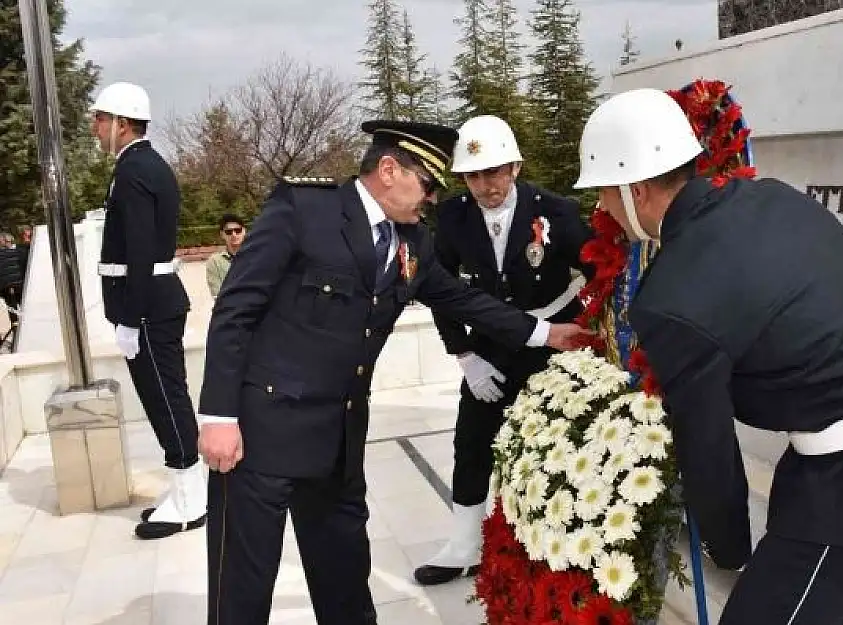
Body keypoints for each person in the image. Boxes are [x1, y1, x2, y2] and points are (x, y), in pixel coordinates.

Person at [573, 88, 843, 624]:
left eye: (603, 192)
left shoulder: (670, 298)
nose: (601, 207)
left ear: (637, 188)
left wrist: (732, 550)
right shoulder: (775, 198)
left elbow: (709, 448)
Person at [196, 120, 591, 625]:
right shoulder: (304, 212)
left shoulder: (414, 244)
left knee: (345, 580)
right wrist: (218, 414)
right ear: (388, 170)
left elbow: (464, 300)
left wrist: (546, 334)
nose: (430, 199)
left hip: (337, 440)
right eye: (427, 184)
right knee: (242, 588)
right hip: (262, 433)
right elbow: (236, 309)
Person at [413, 115, 593, 586]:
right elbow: (441, 290)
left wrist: (592, 329)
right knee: (471, 444)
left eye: (493, 172)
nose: (485, 184)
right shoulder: (452, 217)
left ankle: (559, 543)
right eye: (473, 175)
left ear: (515, 166)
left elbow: (598, 269)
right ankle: (463, 546)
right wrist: (464, 357)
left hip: (553, 343)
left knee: (556, 445)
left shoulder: (555, 211)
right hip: (489, 348)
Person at [90, 81, 205, 540]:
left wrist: (130, 318)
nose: (96, 129)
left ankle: (190, 497)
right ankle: (186, 486)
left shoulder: (135, 170)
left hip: (148, 308)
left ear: (121, 123)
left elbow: (139, 249)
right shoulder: (140, 165)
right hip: (152, 304)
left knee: (165, 398)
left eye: (101, 120)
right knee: (165, 396)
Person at [205, 213, 246, 297]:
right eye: (229, 232)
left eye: (238, 230)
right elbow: (217, 294)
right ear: (222, 234)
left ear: (244, 231)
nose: (234, 234)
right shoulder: (214, 262)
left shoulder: (256, 256)